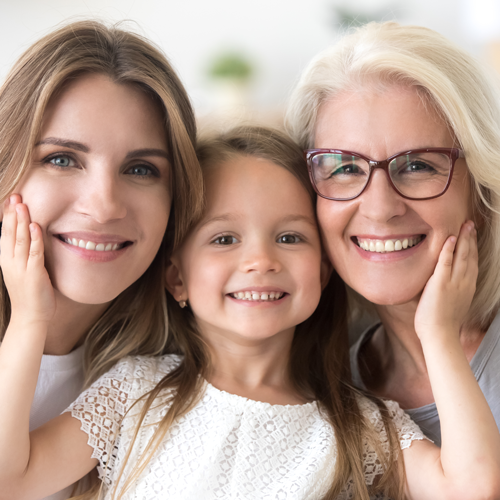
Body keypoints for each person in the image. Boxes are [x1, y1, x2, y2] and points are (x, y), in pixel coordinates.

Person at [1, 126, 499, 500]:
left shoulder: (363, 425)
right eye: (224, 239)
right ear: (177, 278)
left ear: (323, 272)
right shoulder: (133, 393)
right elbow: (10, 477)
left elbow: (474, 487)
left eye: (289, 237)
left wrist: (436, 333)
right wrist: (28, 319)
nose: (261, 261)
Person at [0, 20, 202, 500]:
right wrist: (29, 322)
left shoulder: (169, 375)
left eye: (140, 169)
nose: (104, 205)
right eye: (63, 159)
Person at [285, 20, 500, 447]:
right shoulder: (318, 394)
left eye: (419, 165)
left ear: (480, 187)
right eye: (344, 167)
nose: (381, 209)